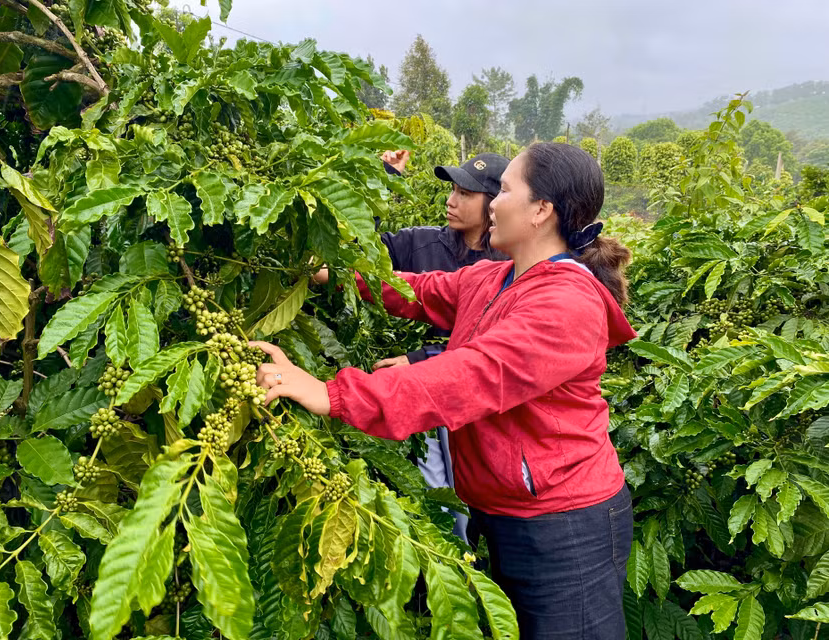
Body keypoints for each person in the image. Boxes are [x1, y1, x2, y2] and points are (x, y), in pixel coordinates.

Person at [251, 142, 636, 639]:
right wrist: (335, 275)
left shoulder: (566, 303)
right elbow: (416, 288)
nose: (493, 202)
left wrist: (333, 394)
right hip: (503, 510)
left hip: (565, 526)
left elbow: (467, 377)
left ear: (541, 210)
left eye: (503, 190)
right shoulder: (495, 277)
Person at [375, 149, 509, 541]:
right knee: (437, 481)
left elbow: (491, 346)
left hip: (477, 391)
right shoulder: (422, 244)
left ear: (494, 204)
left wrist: (418, 359)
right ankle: (452, 555)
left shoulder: (510, 262)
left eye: (466, 194)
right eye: (451, 190)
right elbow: (360, 246)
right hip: (430, 391)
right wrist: (385, 176)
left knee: (480, 482)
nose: (451, 201)